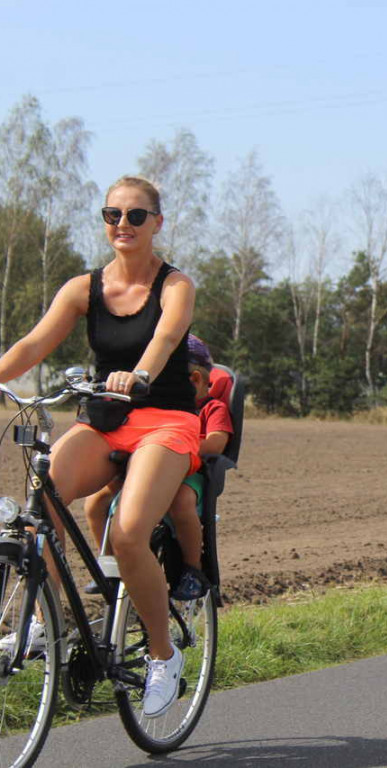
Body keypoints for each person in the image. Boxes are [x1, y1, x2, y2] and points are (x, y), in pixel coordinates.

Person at [0, 176, 200, 718]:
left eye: (137, 216)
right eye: (113, 214)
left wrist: (137, 375)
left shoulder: (175, 284)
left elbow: (165, 337)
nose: (123, 225)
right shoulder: (82, 288)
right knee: (42, 495)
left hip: (166, 422)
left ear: (157, 223)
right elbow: (34, 343)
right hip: (107, 419)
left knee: (131, 530)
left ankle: (164, 655)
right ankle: (44, 621)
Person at [84, 334, 233, 600]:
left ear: (195, 381)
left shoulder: (213, 408)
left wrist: (170, 450)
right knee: (97, 502)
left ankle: (192, 569)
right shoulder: (153, 408)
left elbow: (216, 444)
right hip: (143, 468)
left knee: (181, 503)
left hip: (189, 472)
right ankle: (108, 563)